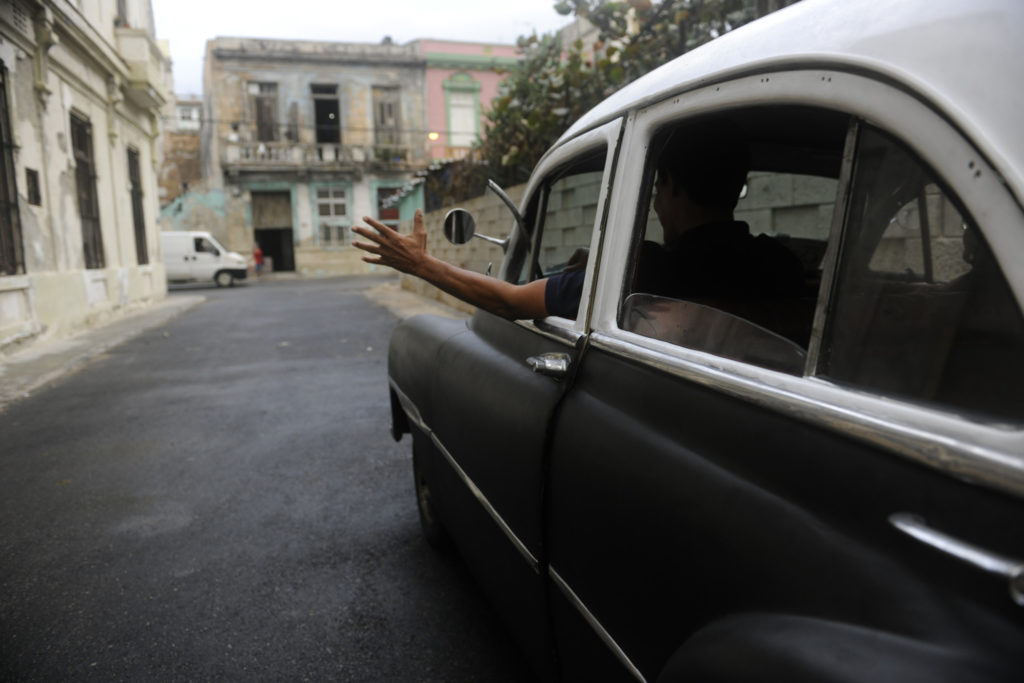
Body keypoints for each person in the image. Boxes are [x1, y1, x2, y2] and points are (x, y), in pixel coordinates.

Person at [353, 118, 802, 321]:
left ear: (672, 187)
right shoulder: (780, 264)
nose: (655, 204)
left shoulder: (638, 270)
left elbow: (510, 302)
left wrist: (419, 265)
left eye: (658, 190)